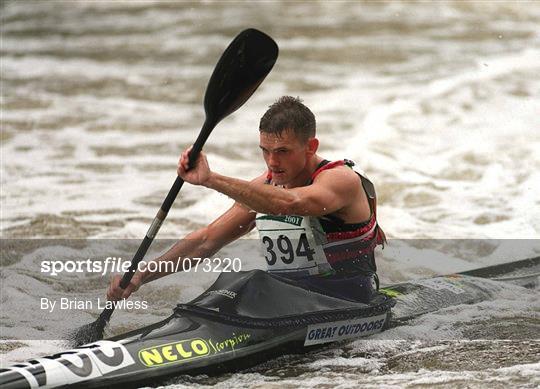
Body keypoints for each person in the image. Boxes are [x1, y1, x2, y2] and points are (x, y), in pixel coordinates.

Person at [107, 96, 385, 303]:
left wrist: (211, 179)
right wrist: (143, 275)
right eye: (265, 150)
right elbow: (207, 240)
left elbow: (291, 203)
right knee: (228, 289)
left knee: (249, 282)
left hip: (349, 297)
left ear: (311, 146)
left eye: (283, 151)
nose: (272, 162)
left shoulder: (340, 179)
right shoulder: (263, 188)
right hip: (292, 298)